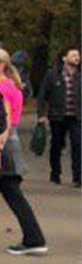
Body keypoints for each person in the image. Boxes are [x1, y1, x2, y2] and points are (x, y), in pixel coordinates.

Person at [0, 48, 46, 256]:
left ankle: (34, 238)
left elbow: (5, 122)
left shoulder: (3, 88)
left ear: (1, 66)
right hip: (5, 145)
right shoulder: (7, 86)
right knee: (10, 193)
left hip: (2, 145)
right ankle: (34, 238)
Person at [37, 47, 80, 186]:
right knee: (57, 144)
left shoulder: (80, 75)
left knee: (78, 144)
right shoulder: (53, 74)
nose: (77, 58)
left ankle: (78, 177)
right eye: (73, 55)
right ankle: (55, 173)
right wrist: (42, 114)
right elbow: (43, 96)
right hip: (57, 116)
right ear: (64, 58)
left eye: (78, 55)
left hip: (77, 116)